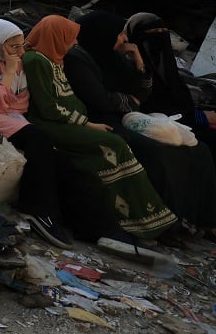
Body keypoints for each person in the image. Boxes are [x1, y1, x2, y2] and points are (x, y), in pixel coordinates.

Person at [66, 11, 216, 248]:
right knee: (157, 153)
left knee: (200, 150)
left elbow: (139, 95)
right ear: (102, 36)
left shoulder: (117, 59)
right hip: (102, 120)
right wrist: (132, 100)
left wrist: (139, 63)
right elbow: (103, 101)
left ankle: (207, 221)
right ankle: (164, 225)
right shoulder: (79, 61)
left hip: (132, 117)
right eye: (119, 35)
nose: (124, 41)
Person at [23, 14, 177, 243]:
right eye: (68, 38)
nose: (74, 44)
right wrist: (86, 123)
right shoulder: (38, 60)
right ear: (56, 37)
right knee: (116, 145)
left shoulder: (57, 59)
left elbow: (137, 96)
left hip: (77, 120)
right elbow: (50, 107)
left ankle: (148, 223)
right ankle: (131, 223)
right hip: (55, 122)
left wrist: (139, 65)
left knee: (126, 148)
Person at [0, 19, 73, 248]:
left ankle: (64, 215)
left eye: (22, 46)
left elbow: (20, 103)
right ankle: (36, 209)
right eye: (13, 47)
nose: (19, 53)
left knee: (59, 157)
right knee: (36, 139)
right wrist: (6, 77)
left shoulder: (16, 61)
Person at [126, 11, 216, 220]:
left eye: (163, 32)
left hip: (184, 123)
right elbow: (150, 108)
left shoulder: (168, 69)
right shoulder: (133, 67)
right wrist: (201, 118)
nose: (159, 38)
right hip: (156, 126)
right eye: (152, 33)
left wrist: (204, 117)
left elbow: (180, 103)